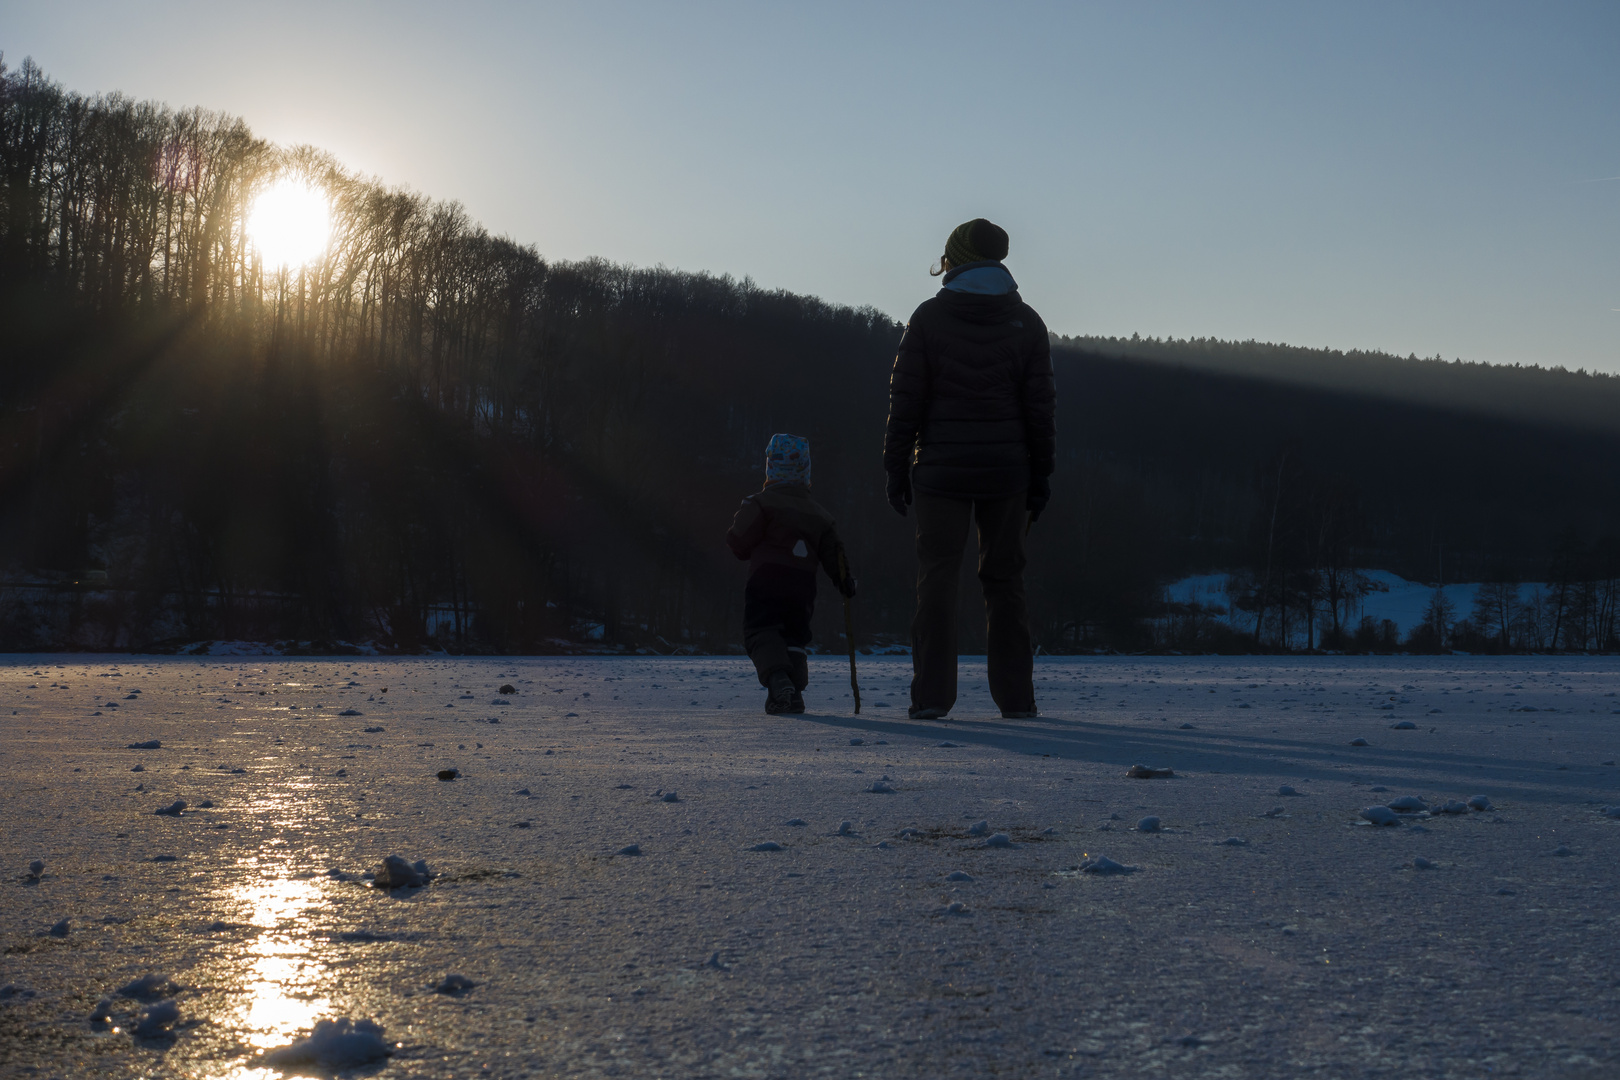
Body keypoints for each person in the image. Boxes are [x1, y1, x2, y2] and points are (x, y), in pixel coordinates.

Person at [883, 218, 1055, 720]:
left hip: (941, 471)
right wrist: (1041, 476)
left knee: (937, 579)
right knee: (1005, 583)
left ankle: (932, 698)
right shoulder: (1026, 321)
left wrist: (895, 467)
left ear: (953, 257)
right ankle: (1017, 701)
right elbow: (1041, 409)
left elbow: (905, 400)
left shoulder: (929, 318)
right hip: (1008, 472)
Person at [727, 433, 858, 714]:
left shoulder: (761, 503)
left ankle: (778, 679)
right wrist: (845, 582)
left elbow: (738, 541)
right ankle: (793, 693)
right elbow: (836, 555)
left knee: (760, 630)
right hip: (802, 584)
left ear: (770, 467)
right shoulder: (820, 514)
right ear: (806, 471)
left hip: (766, 579)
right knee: (794, 635)